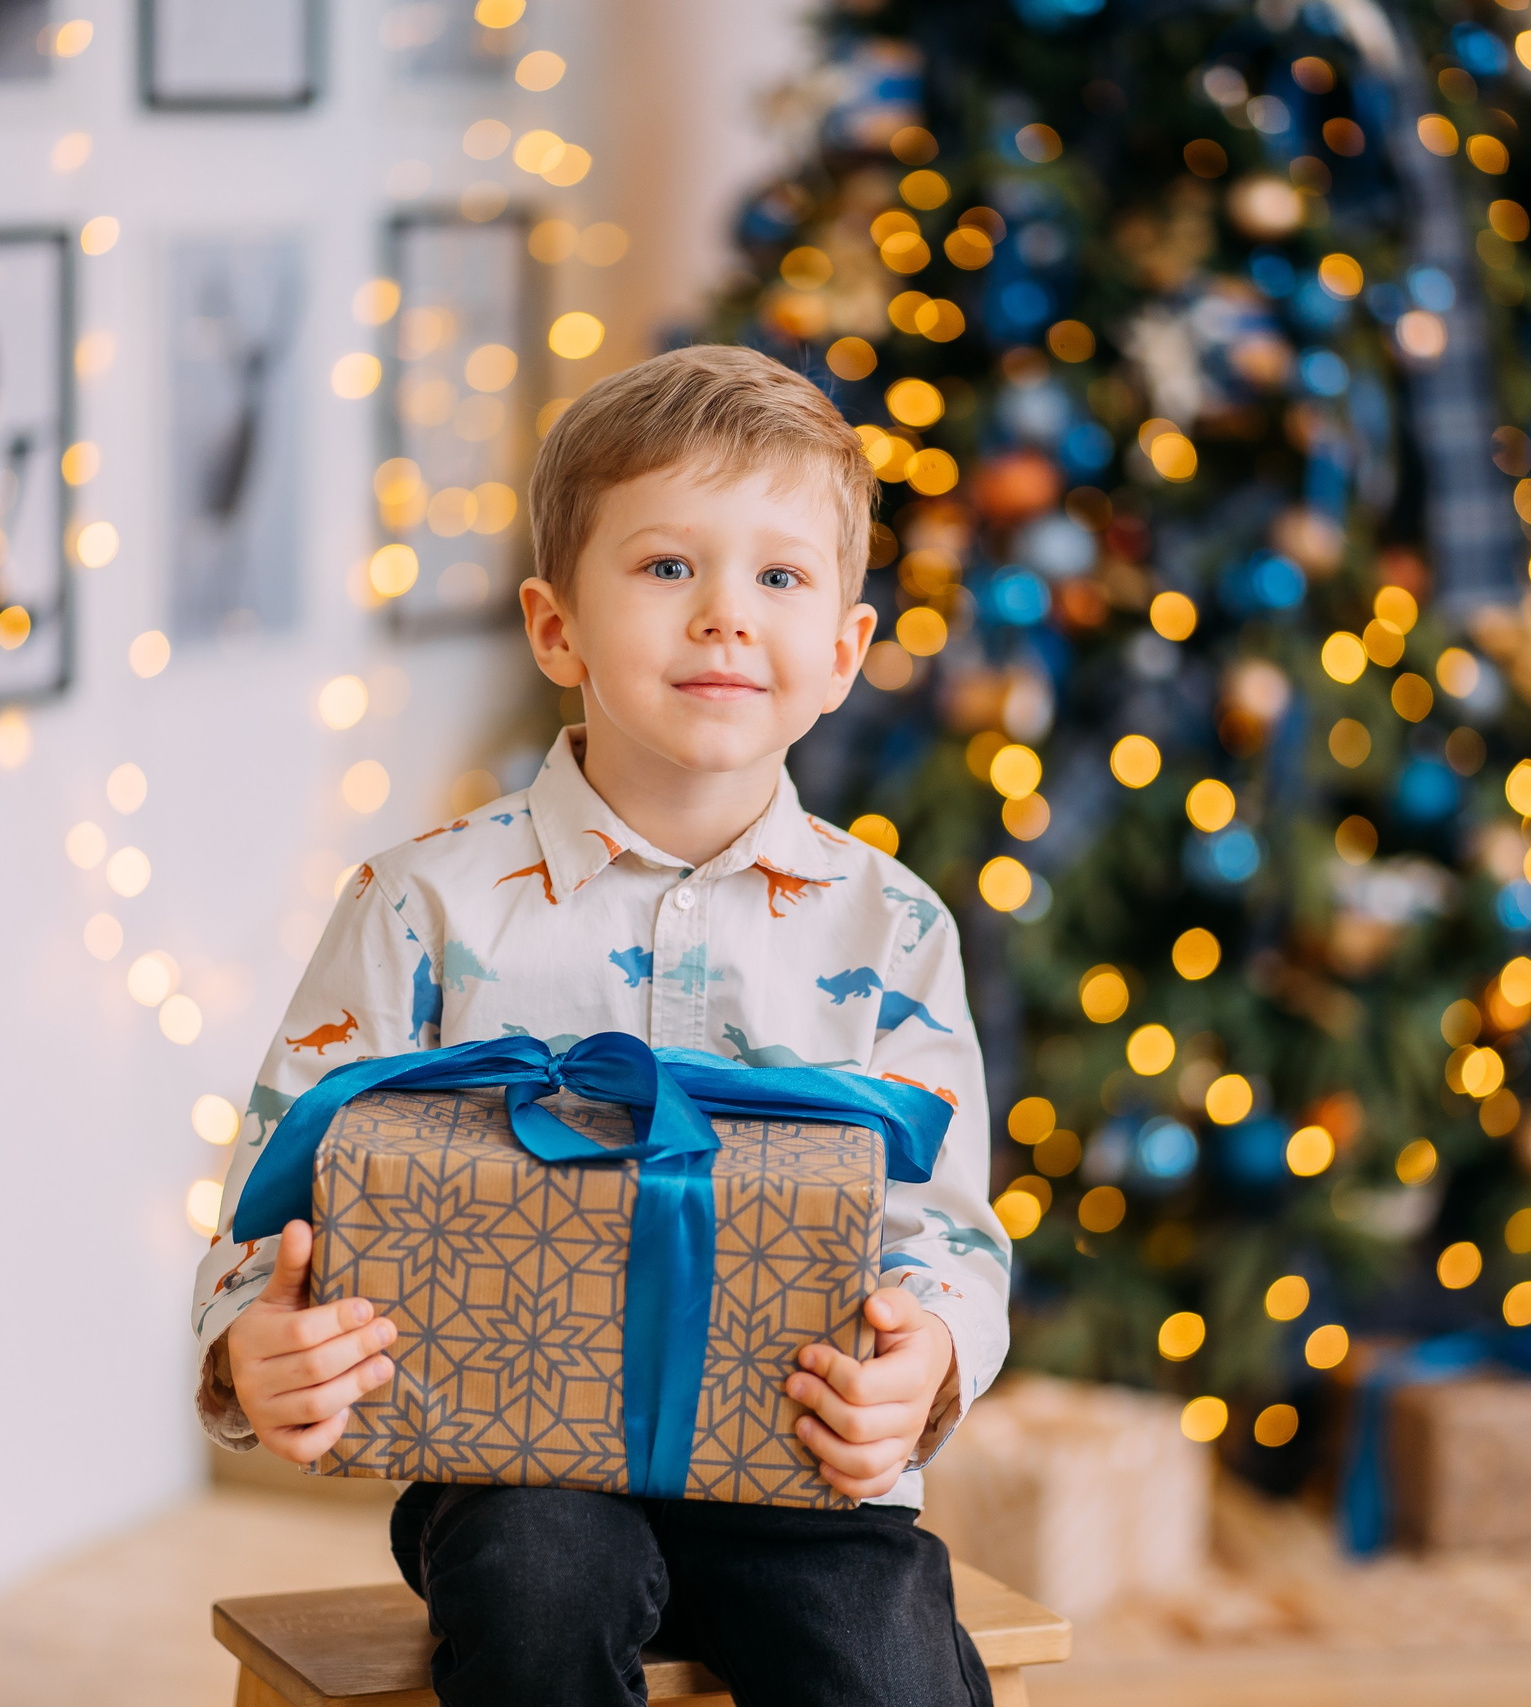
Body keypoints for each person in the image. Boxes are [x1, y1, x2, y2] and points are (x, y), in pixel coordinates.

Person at [190, 344, 1008, 1706]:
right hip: (516, 1464)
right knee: (536, 1586)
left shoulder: (895, 926)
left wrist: (922, 1361)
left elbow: (948, 1225)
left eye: (782, 577)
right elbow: (275, 1197)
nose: (726, 618)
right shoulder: (421, 904)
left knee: (883, 1658)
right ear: (556, 626)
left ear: (847, 652)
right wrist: (248, 1345)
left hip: (800, 1456)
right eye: (669, 567)